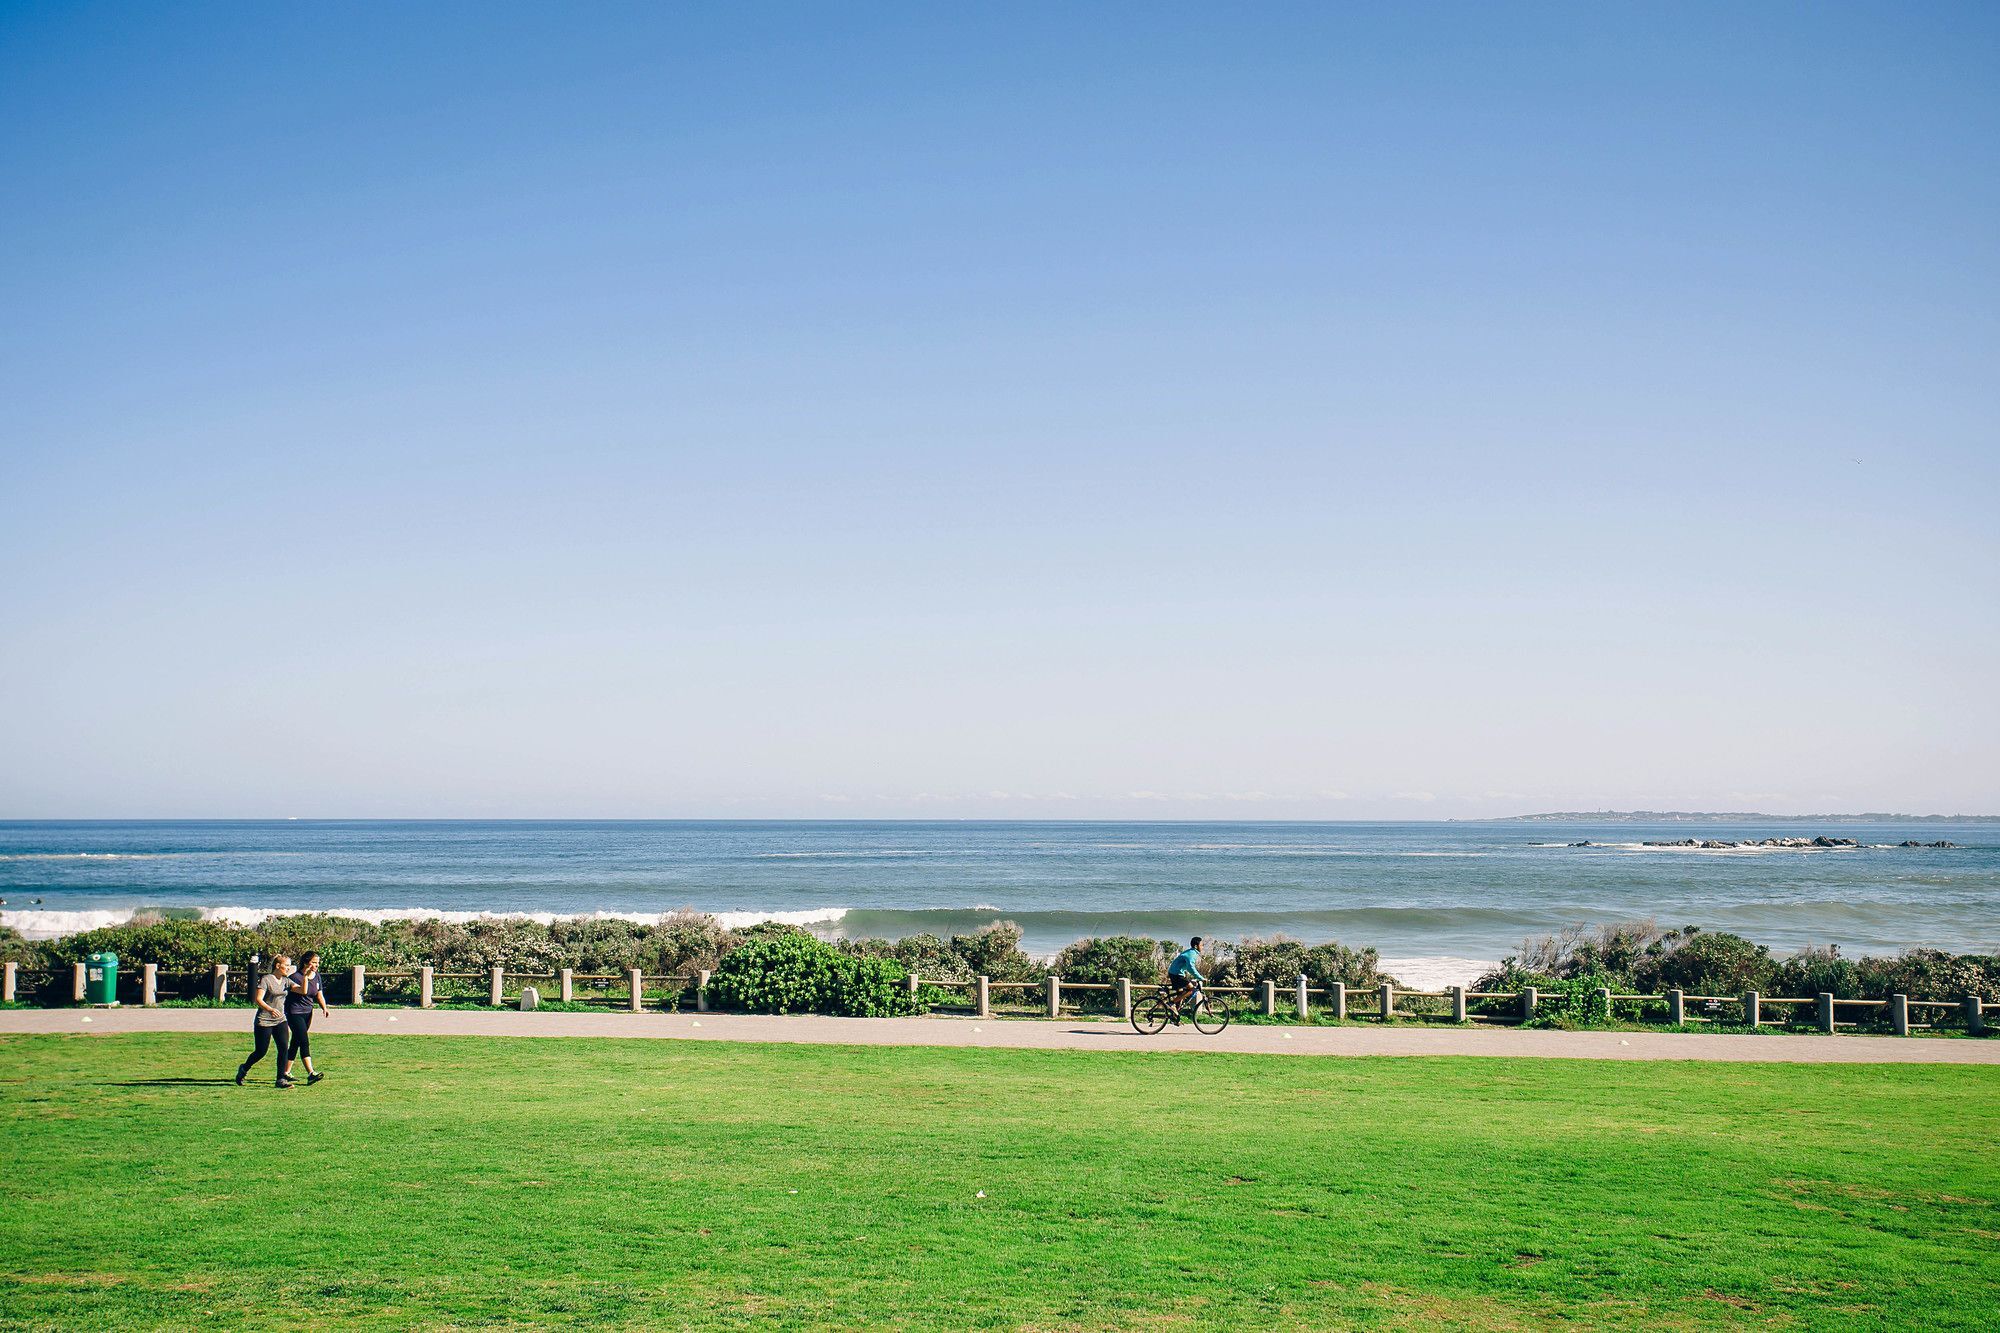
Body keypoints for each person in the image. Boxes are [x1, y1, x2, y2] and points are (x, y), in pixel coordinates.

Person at [237, 955, 298, 1088]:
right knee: (261, 1051)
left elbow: (301, 990)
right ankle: (244, 1068)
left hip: (280, 1020)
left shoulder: (286, 981)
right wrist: (270, 1009)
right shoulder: (266, 979)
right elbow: (258, 999)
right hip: (264, 1020)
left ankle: (280, 1079)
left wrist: (307, 975)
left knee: (283, 1049)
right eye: (286, 965)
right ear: (278, 966)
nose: (288, 968)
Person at [286, 951, 331, 1085]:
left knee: (296, 1041)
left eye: (317, 963)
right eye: (313, 962)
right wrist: (305, 978)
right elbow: (302, 991)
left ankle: (286, 1072)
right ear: (306, 962)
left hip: (307, 1012)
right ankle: (311, 1073)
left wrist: (324, 1007)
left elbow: (319, 994)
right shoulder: (295, 977)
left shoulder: (317, 976)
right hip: (294, 1012)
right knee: (304, 1041)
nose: (316, 965)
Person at [1166, 937, 1206, 1010]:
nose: (1202, 947)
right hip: (1176, 974)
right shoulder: (1191, 954)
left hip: (1175, 973)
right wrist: (1201, 978)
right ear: (1196, 946)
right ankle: (1170, 1003)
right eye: (1201, 945)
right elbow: (1191, 968)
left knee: (1181, 994)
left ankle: (1175, 1015)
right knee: (1191, 989)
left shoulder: (1191, 952)